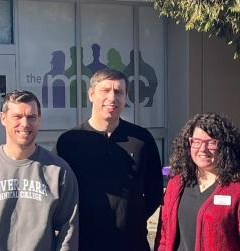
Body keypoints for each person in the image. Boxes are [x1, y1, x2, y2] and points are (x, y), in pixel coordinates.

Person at [54, 68, 164, 251]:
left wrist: (132, 218)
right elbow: (57, 193)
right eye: (105, 91)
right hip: (84, 243)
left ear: (125, 97)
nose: (112, 98)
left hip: (132, 243)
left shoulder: (141, 140)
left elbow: (154, 191)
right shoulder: (69, 142)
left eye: (118, 92)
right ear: (91, 94)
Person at [0, 90, 79, 250]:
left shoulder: (58, 171)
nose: (25, 124)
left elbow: (68, 230)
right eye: (17, 117)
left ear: (39, 120)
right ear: (3, 118)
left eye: (31, 117)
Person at [155, 113, 240, 251]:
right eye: (196, 141)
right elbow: (164, 235)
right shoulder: (176, 183)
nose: (203, 149)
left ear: (225, 147)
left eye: (212, 142)